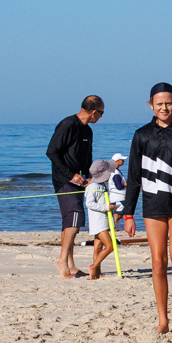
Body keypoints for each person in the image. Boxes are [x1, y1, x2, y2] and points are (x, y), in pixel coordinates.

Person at [123, 83, 172, 335]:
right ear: (150, 105)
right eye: (159, 103)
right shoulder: (142, 135)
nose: (164, 107)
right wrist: (128, 214)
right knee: (158, 261)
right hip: (153, 203)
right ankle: (163, 318)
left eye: (168, 103)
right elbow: (134, 176)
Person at [47, 95, 104, 279]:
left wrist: (89, 176)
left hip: (80, 180)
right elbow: (51, 152)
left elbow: (87, 157)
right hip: (64, 179)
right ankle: (62, 261)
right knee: (75, 216)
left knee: (69, 221)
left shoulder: (88, 131)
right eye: (101, 113)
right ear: (94, 112)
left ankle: (70, 265)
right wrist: (70, 174)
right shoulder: (68, 125)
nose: (101, 117)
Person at [84, 159, 117, 280]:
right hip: (98, 222)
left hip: (103, 220)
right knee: (110, 246)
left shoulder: (101, 185)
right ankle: (93, 266)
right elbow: (89, 203)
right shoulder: (93, 186)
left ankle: (97, 272)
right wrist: (107, 207)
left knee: (98, 247)